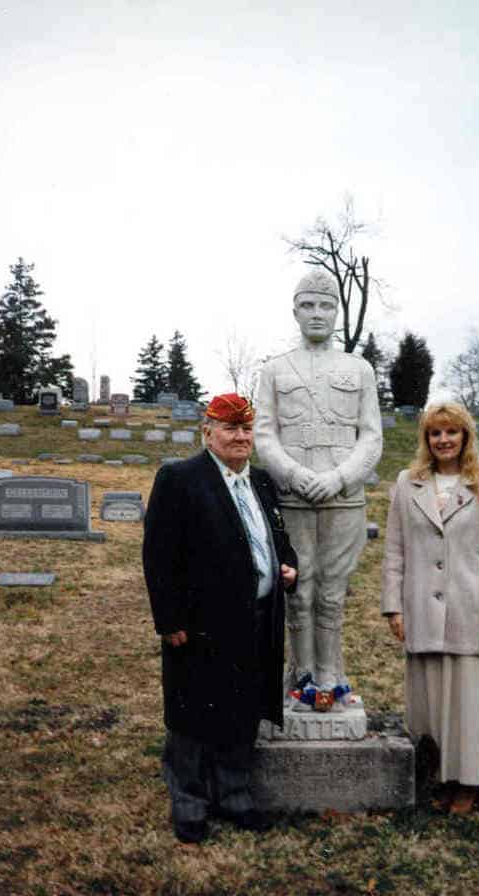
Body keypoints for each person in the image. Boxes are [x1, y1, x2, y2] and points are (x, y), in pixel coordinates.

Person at [142, 393, 298, 843]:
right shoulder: (181, 479)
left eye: (247, 428)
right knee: (192, 714)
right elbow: (158, 556)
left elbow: (276, 538)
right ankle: (189, 803)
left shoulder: (262, 483)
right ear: (207, 432)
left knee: (243, 709)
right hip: (200, 624)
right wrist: (169, 619)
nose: (241, 437)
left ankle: (234, 795)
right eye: (230, 428)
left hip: (257, 618)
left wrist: (288, 566)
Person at [255, 269, 382, 708]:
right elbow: (264, 434)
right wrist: (292, 474)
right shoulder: (274, 370)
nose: (317, 313)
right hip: (292, 499)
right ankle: (301, 675)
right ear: (294, 311)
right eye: (308, 305)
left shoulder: (359, 369)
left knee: (331, 593)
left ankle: (331, 674)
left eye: (326, 306)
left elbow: (371, 436)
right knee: (299, 590)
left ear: (337, 313)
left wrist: (338, 478)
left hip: (343, 500)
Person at [381, 401, 479, 813]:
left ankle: (468, 784)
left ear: (465, 436)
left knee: (467, 700)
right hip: (420, 608)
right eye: (435, 433)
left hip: (469, 609)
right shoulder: (408, 483)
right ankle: (435, 778)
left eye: (451, 432)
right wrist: (393, 606)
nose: (443, 440)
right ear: (426, 439)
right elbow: (395, 550)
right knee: (429, 697)